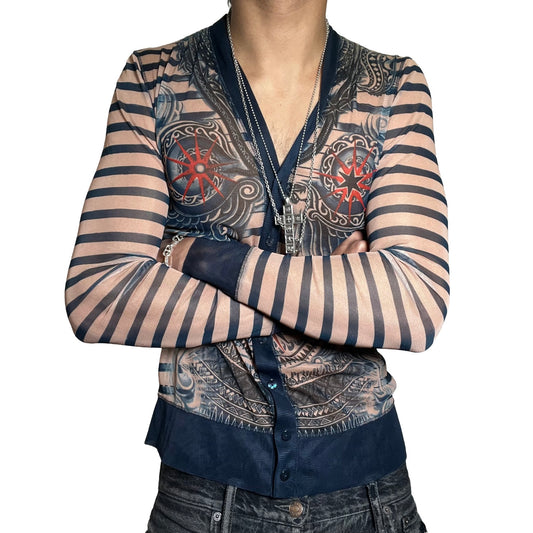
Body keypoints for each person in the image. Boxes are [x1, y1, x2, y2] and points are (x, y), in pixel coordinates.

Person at [65, 0, 448, 531]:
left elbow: (416, 305)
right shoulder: (154, 79)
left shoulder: (393, 86)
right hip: (201, 496)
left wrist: (194, 255)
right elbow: (97, 294)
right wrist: (329, 294)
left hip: (368, 498)